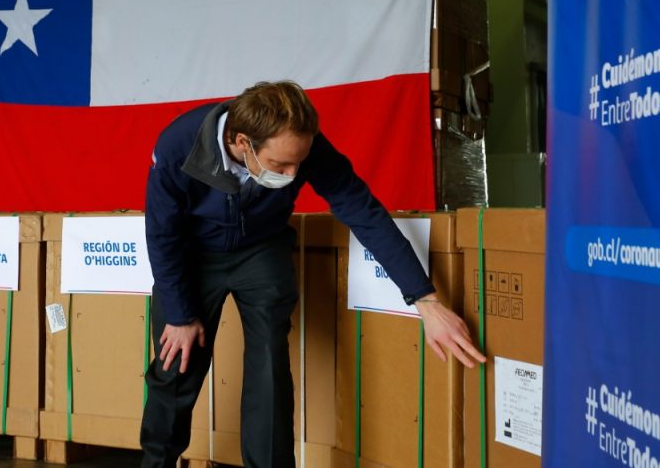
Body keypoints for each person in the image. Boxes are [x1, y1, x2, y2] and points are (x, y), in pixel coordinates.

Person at [139, 81, 485, 468]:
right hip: (193, 254)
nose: (293, 173)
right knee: (176, 365)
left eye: (298, 163)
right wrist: (181, 314)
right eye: (281, 166)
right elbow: (162, 233)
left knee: (269, 367)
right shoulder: (177, 146)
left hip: (260, 248)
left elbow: (364, 214)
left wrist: (425, 300)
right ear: (242, 143)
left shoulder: (306, 147)